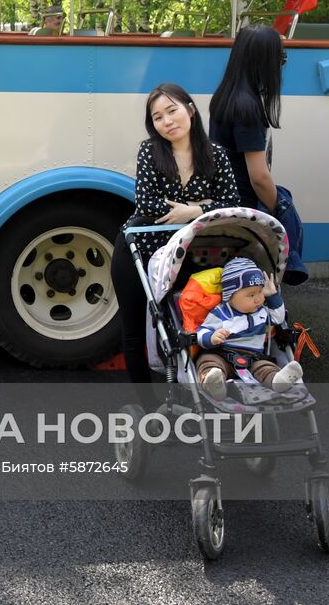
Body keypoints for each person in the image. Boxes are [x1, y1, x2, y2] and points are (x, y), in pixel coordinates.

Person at [109, 83, 240, 403]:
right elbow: (146, 205)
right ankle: (148, 407)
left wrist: (193, 211)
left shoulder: (216, 154)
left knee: (190, 321)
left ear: (190, 110)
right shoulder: (149, 152)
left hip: (192, 251)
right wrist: (204, 206)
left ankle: (203, 392)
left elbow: (231, 204)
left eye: (172, 111)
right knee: (135, 329)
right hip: (140, 246)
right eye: (157, 117)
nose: (167, 121)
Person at [194, 257, 303, 400]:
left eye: (260, 292)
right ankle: (214, 385)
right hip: (222, 355)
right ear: (230, 296)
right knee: (207, 361)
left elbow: (278, 318)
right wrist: (212, 337)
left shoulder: (262, 312)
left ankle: (277, 381)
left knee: (266, 367)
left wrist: (272, 295)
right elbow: (201, 332)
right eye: (251, 295)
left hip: (253, 359)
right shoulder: (221, 313)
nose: (258, 298)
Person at [209, 25, 285, 213]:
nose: (279, 65)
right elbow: (259, 177)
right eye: (280, 59)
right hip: (243, 210)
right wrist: (279, 210)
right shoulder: (247, 108)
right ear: (264, 62)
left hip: (226, 203)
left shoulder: (226, 95)